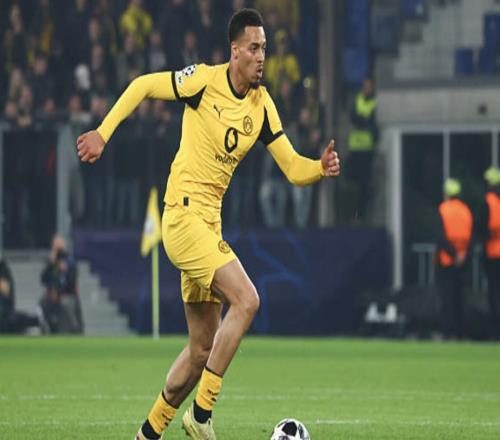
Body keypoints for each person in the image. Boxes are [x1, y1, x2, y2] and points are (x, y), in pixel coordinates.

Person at [76, 9, 340, 440]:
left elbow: (293, 167)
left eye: (264, 49)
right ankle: (201, 414)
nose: (261, 57)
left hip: (208, 227)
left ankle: (147, 434)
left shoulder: (262, 105)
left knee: (201, 349)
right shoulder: (202, 81)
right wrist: (103, 133)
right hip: (182, 217)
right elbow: (143, 85)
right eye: (253, 48)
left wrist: (319, 168)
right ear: (234, 51)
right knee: (247, 300)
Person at [435, 178, 473, 339]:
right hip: (463, 261)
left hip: (446, 260)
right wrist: (463, 255)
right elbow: (471, 236)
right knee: (460, 298)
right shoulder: (466, 211)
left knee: (447, 297)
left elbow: (440, 236)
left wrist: (453, 254)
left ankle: (447, 331)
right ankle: (461, 332)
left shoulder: (443, 209)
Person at [346, 77, 377, 223]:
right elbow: (354, 117)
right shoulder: (357, 99)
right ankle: (354, 214)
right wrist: (364, 121)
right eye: (365, 85)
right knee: (353, 182)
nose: (367, 88)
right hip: (355, 148)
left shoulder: (374, 102)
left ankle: (362, 215)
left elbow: (372, 122)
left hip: (367, 149)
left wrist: (363, 121)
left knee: (365, 185)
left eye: (369, 86)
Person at [476, 167, 500, 338]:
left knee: (493, 292)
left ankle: (494, 330)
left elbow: (481, 229)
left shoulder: (487, 203)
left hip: (491, 254)